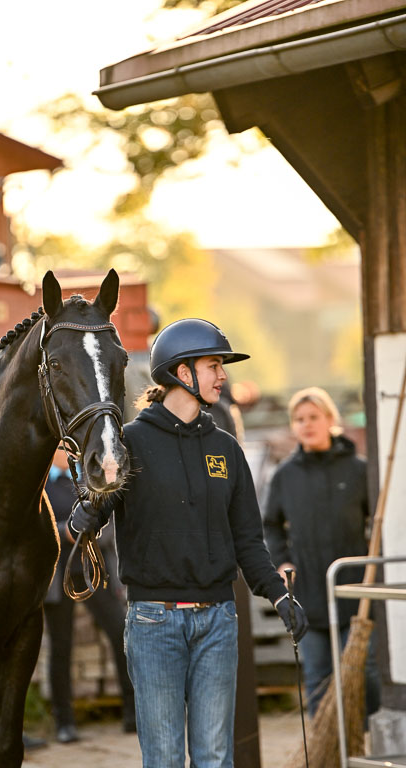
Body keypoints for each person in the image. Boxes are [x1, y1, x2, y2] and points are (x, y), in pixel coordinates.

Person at [67, 318, 307, 768]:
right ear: (183, 373)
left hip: (218, 623)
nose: (223, 376)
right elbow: (93, 516)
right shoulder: (129, 442)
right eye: (214, 365)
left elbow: (248, 543)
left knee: (216, 758)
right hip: (154, 624)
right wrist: (89, 505)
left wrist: (279, 596)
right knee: (163, 760)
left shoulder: (227, 449)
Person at [263, 386, 381, 719]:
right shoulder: (285, 476)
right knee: (316, 678)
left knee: (364, 670)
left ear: (331, 420)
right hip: (308, 594)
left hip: (355, 591)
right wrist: (281, 559)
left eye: (314, 417)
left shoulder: (359, 470)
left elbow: (379, 521)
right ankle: (324, 747)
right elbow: (270, 525)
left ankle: (364, 736)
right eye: (299, 419)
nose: (306, 425)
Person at [43, 449, 135, 743]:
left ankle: (133, 713)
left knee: (120, 632)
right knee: (61, 646)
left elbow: (108, 522)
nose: (67, 452)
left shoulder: (90, 480)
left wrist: (87, 534)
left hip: (96, 570)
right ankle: (64, 722)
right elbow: (39, 527)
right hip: (60, 576)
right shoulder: (43, 484)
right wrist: (65, 532)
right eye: (60, 447)